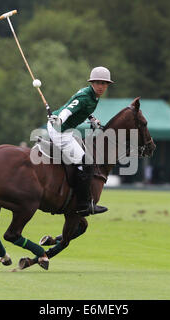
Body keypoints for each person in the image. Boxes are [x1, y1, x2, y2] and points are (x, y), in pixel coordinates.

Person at [47, 66, 113, 216]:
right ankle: (83, 204)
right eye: (98, 83)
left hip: (65, 129)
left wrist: (91, 119)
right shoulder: (84, 97)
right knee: (87, 163)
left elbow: (84, 109)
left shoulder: (92, 95)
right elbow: (69, 109)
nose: (101, 86)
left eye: (104, 83)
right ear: (92, 83)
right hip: (60, 131)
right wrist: (60, 119)